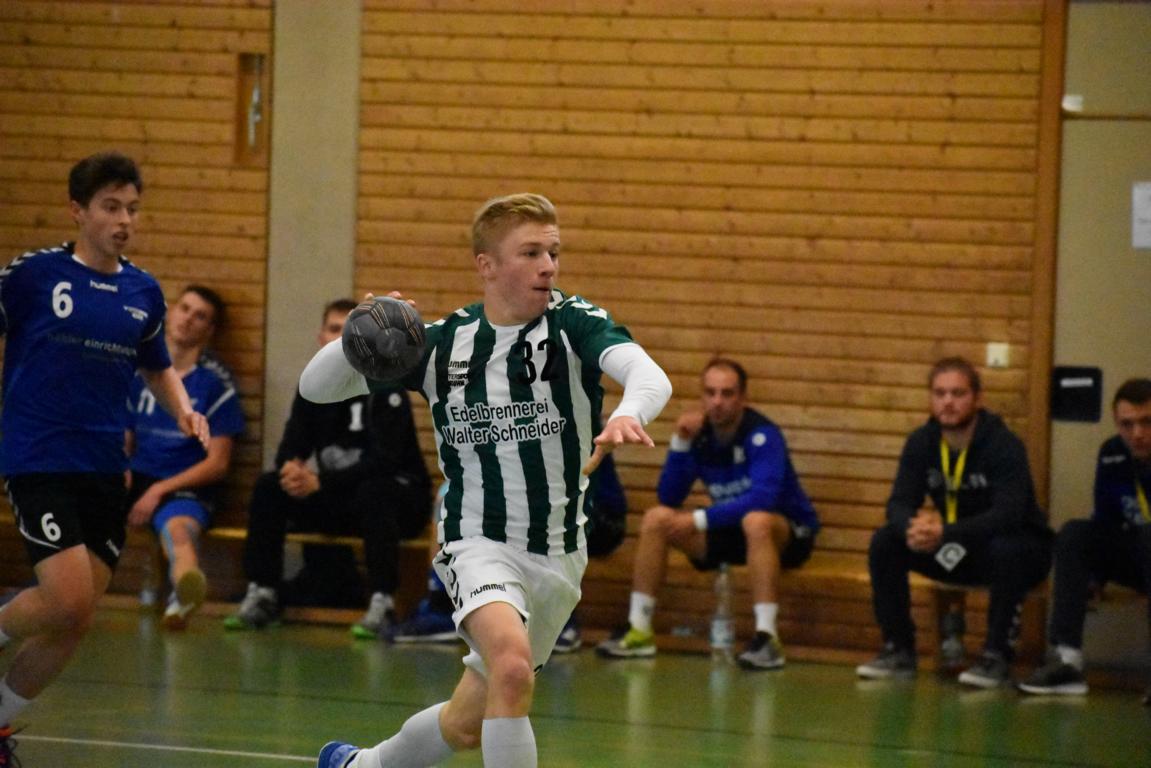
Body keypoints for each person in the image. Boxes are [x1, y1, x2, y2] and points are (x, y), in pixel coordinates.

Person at [300, 193, 671, 768]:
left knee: (467, 721)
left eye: (553, 252)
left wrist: (630, 412)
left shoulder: (573, 323)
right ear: (487, 265)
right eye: (530, 252)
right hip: (477, 539)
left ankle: (361, 766)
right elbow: (316, 388)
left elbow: (648, 376)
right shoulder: (441, 344)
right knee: (513, 667)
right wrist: (359, 333)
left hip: (559, 552)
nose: (548, 266)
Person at [0, 152, 209, 762]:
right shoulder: (33, 276)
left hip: (104, 466)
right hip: (39, 456)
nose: (124, 221)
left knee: (77, 617)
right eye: (111, 207)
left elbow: (157, 366)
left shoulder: (142, 291)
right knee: (65, 599)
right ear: (78, 211)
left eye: (132, 209)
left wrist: (183, 409)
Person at [224, 299, 431, 638]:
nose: (341, 338)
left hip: (398, 502)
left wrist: (321, 482)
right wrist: (291, 469)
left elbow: (385, 461)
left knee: (376, 491)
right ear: (321, 337)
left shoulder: (385, 384)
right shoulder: (314, 386)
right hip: (339, 497)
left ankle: (383, 602)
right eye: (334, 329)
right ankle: (263, 593)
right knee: (269, 487)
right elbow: (292, 445)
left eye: (350, 331)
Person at [596, 357, 819, 670]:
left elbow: (762, 499)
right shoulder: (700, 436)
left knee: (756, 521)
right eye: (710, 393)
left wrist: (699, 519)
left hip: (785, 535)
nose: (717, 402)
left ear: (743, 398)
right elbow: (669, 497)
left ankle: (767, 637)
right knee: (657, 519)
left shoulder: (763, 435)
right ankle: (639, 630)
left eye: (727, 394)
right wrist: (680, 443)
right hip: (732, 531)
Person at [856, 356, 1053, 688]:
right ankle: (898, 649)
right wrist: (912, 529)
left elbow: (1008, 515)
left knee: (1008, 548)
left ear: (978, 399)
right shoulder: (922, 442)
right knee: (886, 541)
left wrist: (945, 532)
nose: (948, 401)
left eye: (958, 393)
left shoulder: (1003, 445)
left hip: (1019, 549)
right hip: (957, 546)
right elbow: (899, 502)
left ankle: (996, 656)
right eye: (940, 393)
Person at [390, 450, 628, 652]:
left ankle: (559, 618)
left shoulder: (565, 414)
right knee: (450, 494)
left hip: (598, 512)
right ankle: (441, 605)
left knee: (537, 499)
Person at [1019, 378, 1151, 703]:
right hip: (1138, 554)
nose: (1137, 433)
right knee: (1075, 533)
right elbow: (1106, 521)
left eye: (1147, 422)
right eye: (1127, 424)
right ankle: (1067, 662)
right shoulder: (1112, 453)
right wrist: (1095, 575)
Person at [126, 285, 246, 630]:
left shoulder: (215, 386)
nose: (189, 319)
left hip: (183, 485)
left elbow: (217, 463)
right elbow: (124, 438)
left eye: (201, 316)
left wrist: (159, 490)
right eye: (185, 308)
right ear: (171, 312)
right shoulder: (140, 372)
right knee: (84, 508)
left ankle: (183, 596)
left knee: (178, 532)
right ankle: (48, 592)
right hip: (138, 477)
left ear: (209, 331)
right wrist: (119, 470)